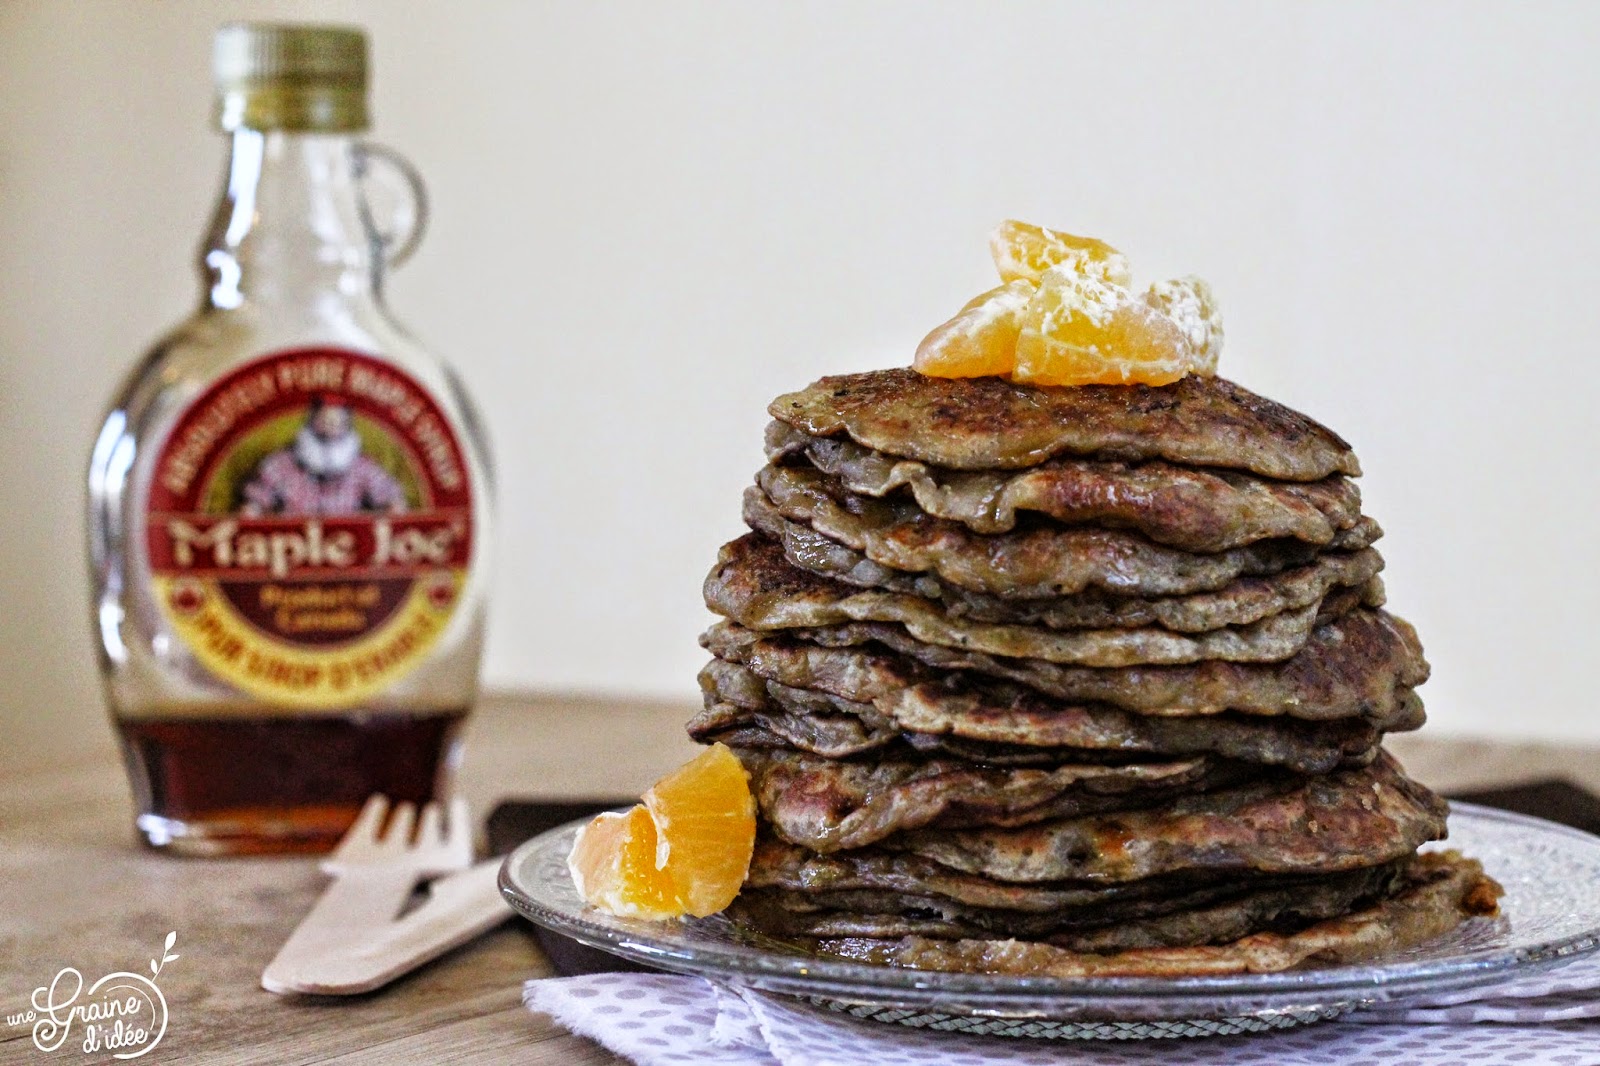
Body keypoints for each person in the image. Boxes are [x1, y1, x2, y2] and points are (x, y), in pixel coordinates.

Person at [239, 396, 408, 516]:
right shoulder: (281, 464)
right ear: (311, 422)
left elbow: (392, 500)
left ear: (346, 427)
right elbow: (253, 504)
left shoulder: (362, 467)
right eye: (324, 420)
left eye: (337, 423)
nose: (330, 429)